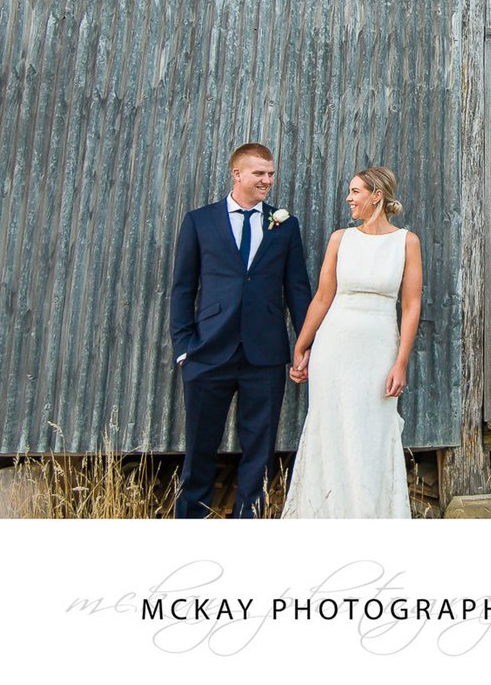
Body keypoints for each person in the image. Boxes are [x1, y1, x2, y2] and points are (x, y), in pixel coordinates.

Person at [169, 142, 313, 518]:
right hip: (207, 352)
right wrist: (184, 347)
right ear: (237, 174)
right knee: (200, 447)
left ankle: (249, 524)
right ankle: (190, 521)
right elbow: (184, 288)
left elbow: (297, 291)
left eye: (270, 174)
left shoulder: (284, 225)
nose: (267, 180)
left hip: (264, 355)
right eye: (259, 174)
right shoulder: (199, 221)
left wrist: (304, 344)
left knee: (259, 449)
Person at [282, 166, 422, 518]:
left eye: (356, 191)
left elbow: (410, 305)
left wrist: (401, 362)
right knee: (329, 426)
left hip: (378, 347)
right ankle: (323, 512)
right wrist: (302, 344)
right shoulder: (340, 239)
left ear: (377, 196)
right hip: (334, 345)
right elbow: (322, 297)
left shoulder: (406, 241)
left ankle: (369, 514)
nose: (349, 198)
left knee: (371, 430)